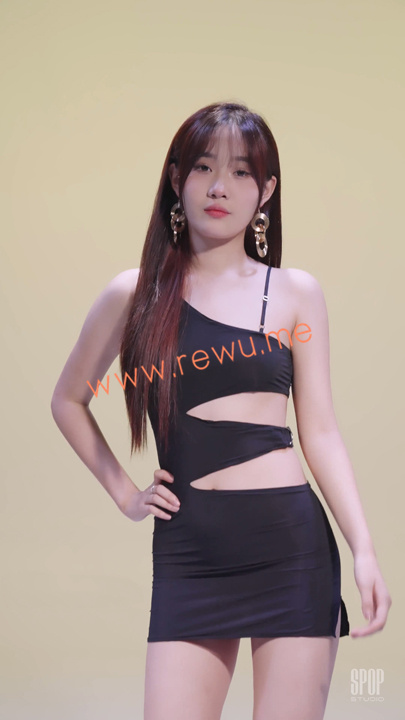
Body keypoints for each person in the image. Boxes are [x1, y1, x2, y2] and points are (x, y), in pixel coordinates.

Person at [51, 101, 392, 720]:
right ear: (175, 179)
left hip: (290, 550)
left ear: (266, 192)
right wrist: (126, 495)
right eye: (204, 167)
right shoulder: (134, 294)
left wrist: (363, 546)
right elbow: (68, 399)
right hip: (189, 552)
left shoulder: (295, 293)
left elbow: (320, 432)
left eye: (241, 172)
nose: (219, 187)